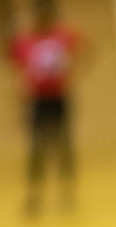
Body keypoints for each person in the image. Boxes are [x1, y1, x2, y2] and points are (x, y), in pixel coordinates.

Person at [7, 0, 85, 214]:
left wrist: (72, 72)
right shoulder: (25, 40)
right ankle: (35, 196)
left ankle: (67, 194)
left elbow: (84, 49)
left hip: (59, 98)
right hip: (37, 101)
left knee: (63, 145)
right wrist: (21, 99)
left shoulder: (64, 34)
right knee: (36, 148)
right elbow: (17, 69)